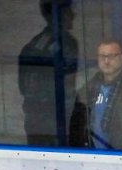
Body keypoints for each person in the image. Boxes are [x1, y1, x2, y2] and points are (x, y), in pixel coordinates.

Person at [17, 0, 78, 146]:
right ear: (58, 15)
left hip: (35, 120)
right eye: (68, 11)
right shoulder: (67, 44)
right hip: (55, 120)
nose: (73, 15)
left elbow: (23, 87)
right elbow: (68, 86)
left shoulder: (32, 45)